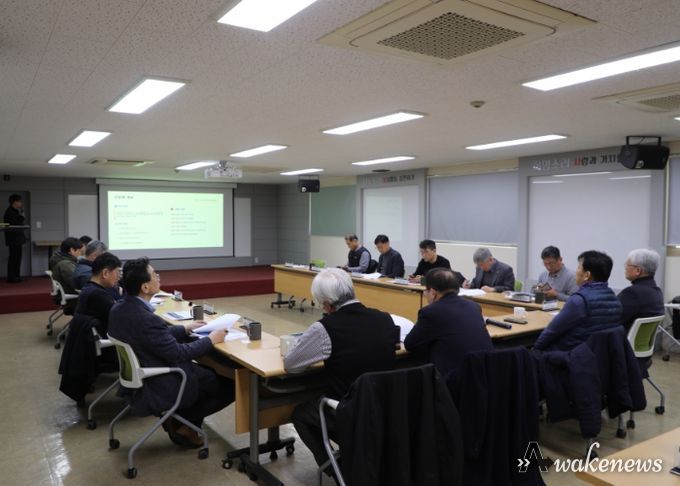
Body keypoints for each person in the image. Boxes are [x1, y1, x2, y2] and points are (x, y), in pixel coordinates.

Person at [108, 257, 235, 448]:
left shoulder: (120, 308)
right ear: (145, 287)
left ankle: (182, 420)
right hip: (160, 379)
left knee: (209, 374)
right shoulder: (145, 318)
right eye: (154, 275)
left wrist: (185, 329)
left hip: (144, 369)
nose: (158, 277)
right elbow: (178, 353)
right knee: (230, 386)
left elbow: (150, 336)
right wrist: (211, 339)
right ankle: (185, 423)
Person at [284, 268, 399, 471]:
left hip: (350, 412)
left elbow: (291, 364)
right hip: (386, 409)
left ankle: (338, 470)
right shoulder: (385, 318)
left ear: (327, 304)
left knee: (301, 414)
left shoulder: (325, 327)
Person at [404, 268, 492, 381]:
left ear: (433, 292)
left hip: (455, 380)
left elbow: (410, 345)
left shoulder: (432, 312)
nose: (425, 294)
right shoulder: (473, 306)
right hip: (486, 374)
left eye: (426, 291)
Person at [534, 250, 622, 352]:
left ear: (587, 275)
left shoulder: (579, 300)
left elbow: (552, 331)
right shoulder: (615, 300)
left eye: (579, 267)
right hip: (599, 356)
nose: (576, 271)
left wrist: (535, 350)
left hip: (571, 355)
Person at [618, 249, 665, 333]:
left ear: (638, 271)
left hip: (622, 340)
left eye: (627, 265)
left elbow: (611, 320)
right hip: (640, 341)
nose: (625, 268)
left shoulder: (632, 293)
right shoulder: (657, 292)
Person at [76, 252, 122, 334]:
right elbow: (121, 317)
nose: (119, 277)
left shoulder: (89, 288)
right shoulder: (98, 295)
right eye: (117, 272)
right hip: (102, 337)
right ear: (105, 273)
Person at [3, 194, 26, 283]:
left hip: (17, 239)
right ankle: (12, 277)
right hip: (13, 239)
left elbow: (21, 220)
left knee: (17, 258)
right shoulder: (10, 212)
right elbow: (15, 224)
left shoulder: (15, 211)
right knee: (13, 258)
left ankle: (16, 276)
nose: (21, 203)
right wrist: (22, 224)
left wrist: (22, 213)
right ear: (15, 202)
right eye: (19, 201)